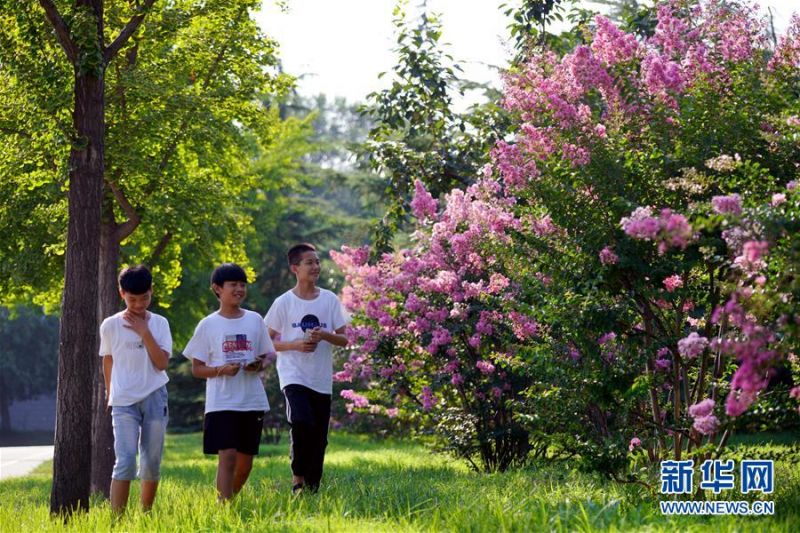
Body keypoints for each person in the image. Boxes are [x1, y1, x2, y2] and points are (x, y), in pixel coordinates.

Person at [183, 263, 275, 501]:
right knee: (228, 457)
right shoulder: (208, 324)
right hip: (221, 402)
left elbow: (266, 356)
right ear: (217, 288)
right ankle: (222, 509)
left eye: (242, 285)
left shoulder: (255, 320)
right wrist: (221, 370)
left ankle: (228, 500)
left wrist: (259, 365)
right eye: (233, 284)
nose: (239, 289)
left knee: (245, 465)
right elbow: (197, 369)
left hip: (251, 400)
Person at [264, 243, 349, 494]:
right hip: (293, 375)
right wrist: (295, 345)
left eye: (317, 262)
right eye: (309, 262)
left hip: (320, 378)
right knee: (301, 422)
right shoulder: (284, 302)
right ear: (295, 268)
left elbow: (344, 339)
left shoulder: (329, 300)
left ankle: (312, 489)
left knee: (319, 437)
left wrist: (324, 335)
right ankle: (297, 479)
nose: (316, 267)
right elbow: (266, 339)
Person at [99, 264, 172, 515]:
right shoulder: (110, 325)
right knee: (126, 460)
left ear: (152, 291)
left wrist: (144, 332)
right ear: (121, 294)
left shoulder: (160, 323)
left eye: (145, 298)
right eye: (133, 299)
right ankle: (116, 521)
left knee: (151, 461)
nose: (140, 304)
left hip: (155, 396)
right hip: (123, 402)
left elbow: (161, 363)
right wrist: (109, 394)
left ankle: (146, 515)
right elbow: (107, 359)